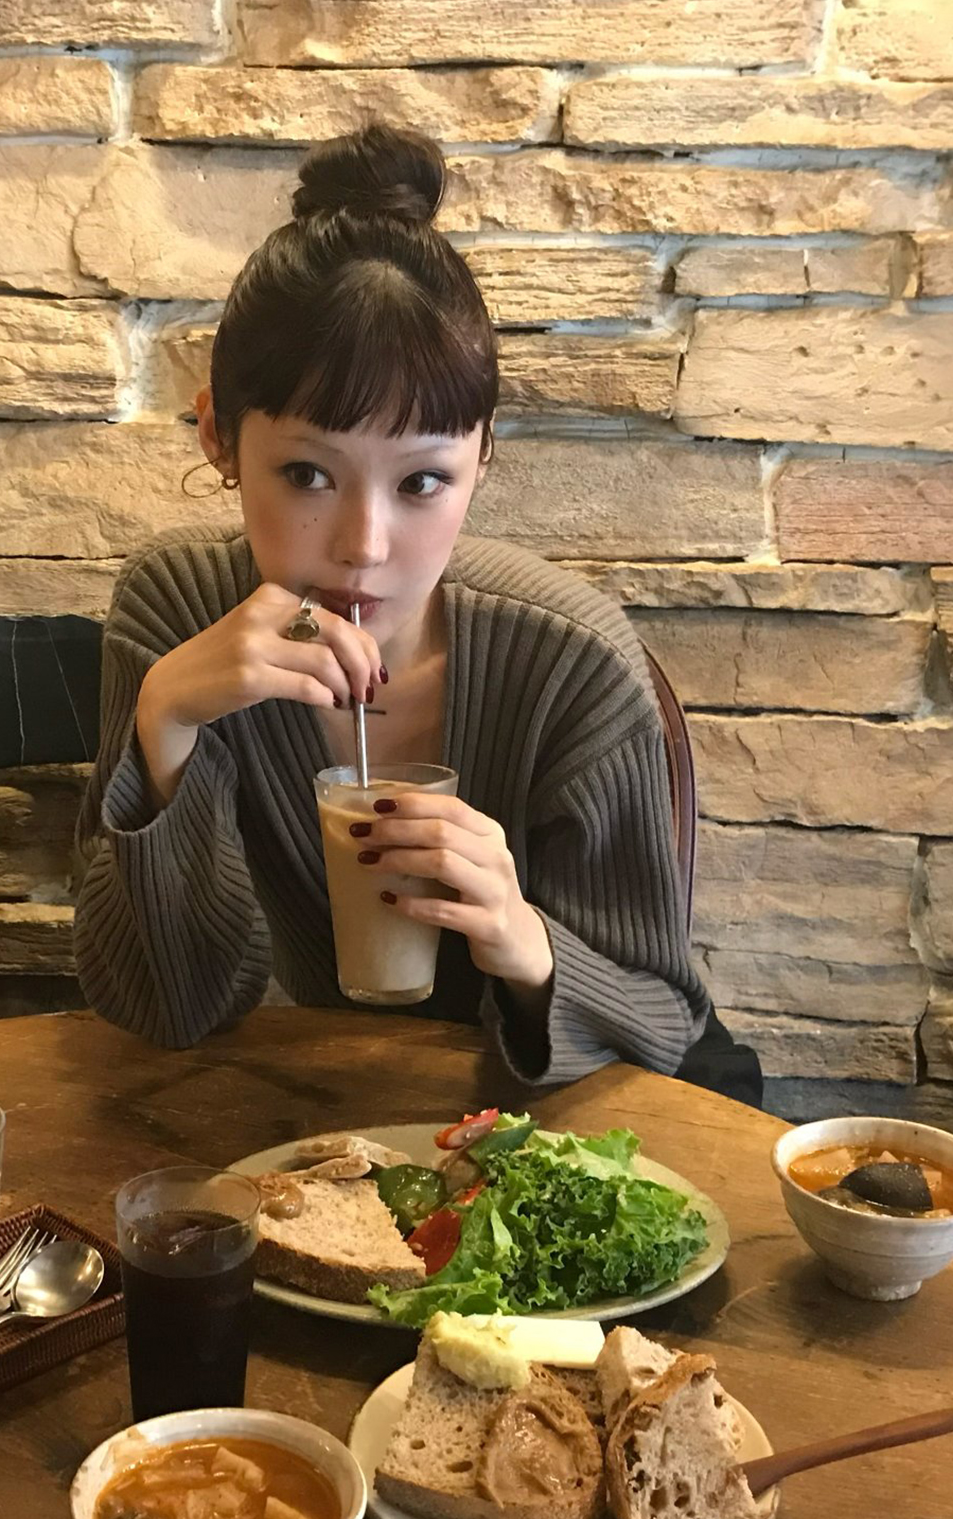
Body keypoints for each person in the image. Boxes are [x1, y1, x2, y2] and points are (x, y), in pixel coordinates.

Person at [74, 122, 761, 1105]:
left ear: (483, 454)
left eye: (423, 480)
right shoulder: (174, 613)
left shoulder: (571, 662)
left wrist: (521, 937)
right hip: (341, 1124)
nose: (365, 544)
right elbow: (167, 1010)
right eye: (308, 473)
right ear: (219, 435)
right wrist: (167, 726)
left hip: (556, 1125)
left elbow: (661, 1020)